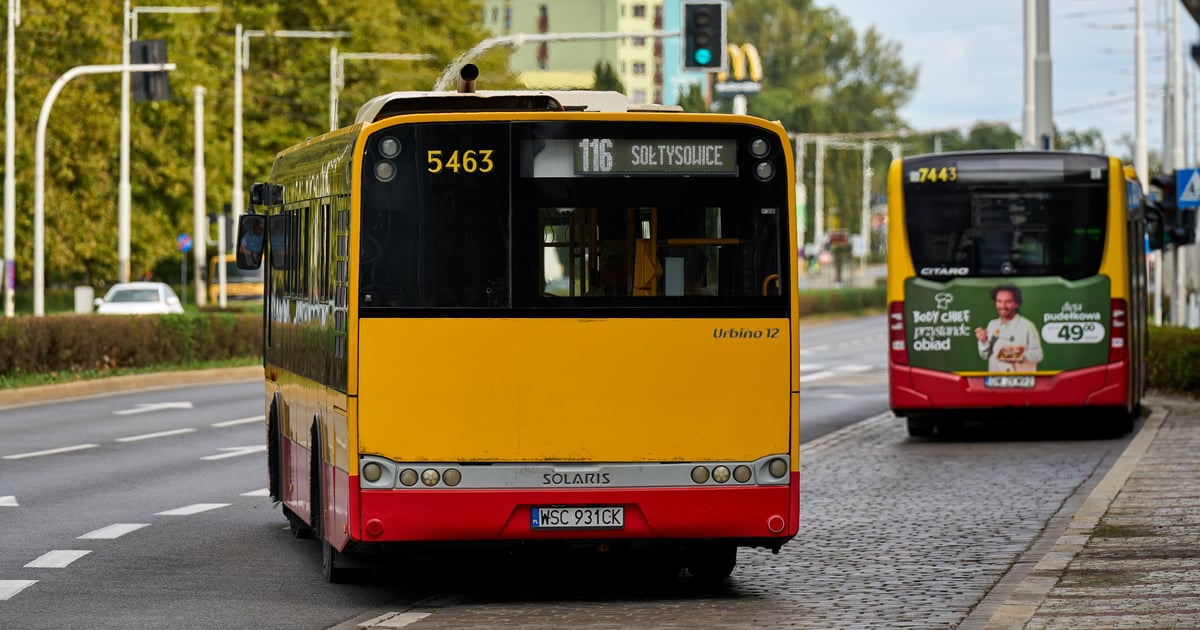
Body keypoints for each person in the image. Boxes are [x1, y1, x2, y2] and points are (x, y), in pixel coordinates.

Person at [974, 283, 1044, 372]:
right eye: (999, 301)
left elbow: (1038, 355)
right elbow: (984, 356)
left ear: (1016, 304)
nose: (1002, 306)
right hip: (996, 381)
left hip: (1020, 381)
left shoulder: (1027, 326)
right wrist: (983, 341)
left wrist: (1017, 355)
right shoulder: (992, 324)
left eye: (1008, 302)